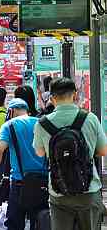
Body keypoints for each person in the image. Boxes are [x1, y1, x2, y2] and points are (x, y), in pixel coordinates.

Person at [33, 77, 107, 230]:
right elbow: (103, 150)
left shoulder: (42, 124)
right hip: (89, 189)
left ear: (52, 98)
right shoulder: (90, 118)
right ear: (74, 95)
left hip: (58, 192)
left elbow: (40, 153)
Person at [0, 98, 48, 230]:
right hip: (42, 184)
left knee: (15, 223)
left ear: (12, 111)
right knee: (40, 221)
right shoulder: (41, 123)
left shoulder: (9, 126)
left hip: (19, 183)